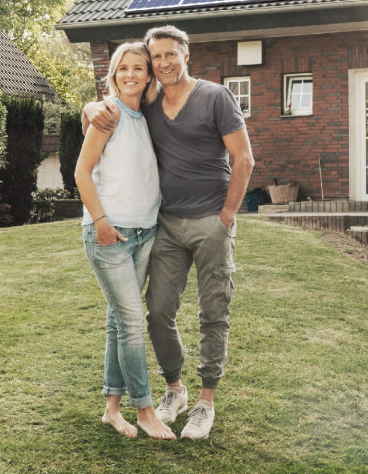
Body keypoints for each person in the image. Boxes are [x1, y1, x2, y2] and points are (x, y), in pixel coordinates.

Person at [84, 24, 254, 441]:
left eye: (170, 55)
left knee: (213, 313)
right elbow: (112, 109)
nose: (163, 63)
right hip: (166, 225)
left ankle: (205, 402)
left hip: (211, 222)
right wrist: (89, 108)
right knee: (157, 312)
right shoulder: (151, 103)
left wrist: (227, 216)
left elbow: (244, 158)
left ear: (186, 55)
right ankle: (175, 390)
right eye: (155, 57)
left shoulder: (215, 96)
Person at [74, 41, 175, 441]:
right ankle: (145, 409)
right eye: (122, 69)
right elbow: (82, 173)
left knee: (119, 322)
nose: (130, 75)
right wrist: (99, 221)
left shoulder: (144, 115)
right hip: (110, 234)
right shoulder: (109, 114)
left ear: (149, 75)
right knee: (133, 321)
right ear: (112, 75)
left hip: (144, 232)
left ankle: (111, 409)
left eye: (138, 68)